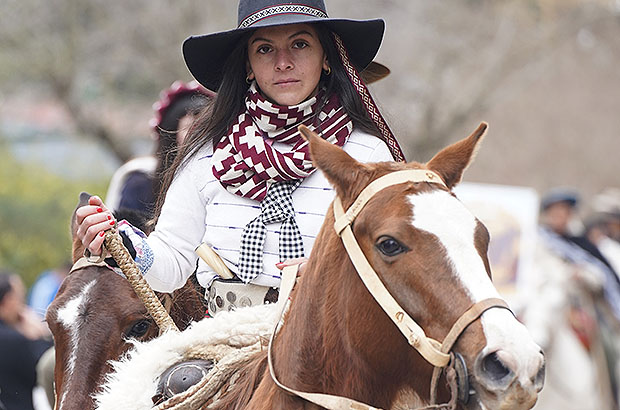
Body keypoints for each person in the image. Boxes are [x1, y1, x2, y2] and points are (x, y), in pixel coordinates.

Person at [75, 0, 405, 314]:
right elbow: (172, 263)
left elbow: (397, 259)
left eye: (300, 44)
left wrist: (335, 272)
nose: (283, 62)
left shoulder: (368, 154)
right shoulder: (207, 151)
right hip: (226, 344)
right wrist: (122, 243)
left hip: (329, 342)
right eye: (264, 49)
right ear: (248, 65)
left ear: (326, 57)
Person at [521, 189, 620, 410]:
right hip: (545, 306)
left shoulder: (581, 244)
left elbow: (601, 276)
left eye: (564, 212)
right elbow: (530, 273)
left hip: (580, 309)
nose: (560, 217)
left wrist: (582, 275)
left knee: (611, 347)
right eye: (556, 212)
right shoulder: (536, 242)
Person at [105, 81, 215, 218]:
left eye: (205, 128)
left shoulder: (221, 178)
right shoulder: (141, 181)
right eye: (190, 127)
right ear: (171, 131)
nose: (199, 135)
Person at [0, 271, 53, 410]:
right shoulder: (14, 341)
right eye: (20, 297)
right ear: (7, 301)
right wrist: (39, 337)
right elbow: (47, 369)